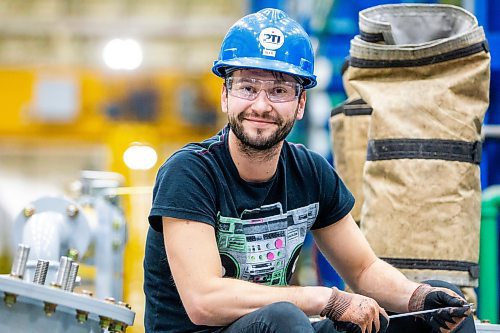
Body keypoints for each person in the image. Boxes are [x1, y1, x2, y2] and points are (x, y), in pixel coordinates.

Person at [143, 8, 475, 333]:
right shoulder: (190, 173)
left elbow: (363, 269)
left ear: (300, 104)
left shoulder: (309, 171)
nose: (261, 105)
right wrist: (327, 299)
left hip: (283, 325)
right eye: (247, 88)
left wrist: (418, 297)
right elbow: (204, 300)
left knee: (437, 306)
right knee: (285, 319)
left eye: (279, 91)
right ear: (225, 96)